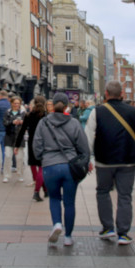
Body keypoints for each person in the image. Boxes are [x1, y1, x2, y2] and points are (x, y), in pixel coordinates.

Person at [86, 81, 135, 246]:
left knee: (102, 192)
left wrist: (87, 158)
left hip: (104, 160)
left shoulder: (97, 112)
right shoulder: (133, 112)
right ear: (122, 94)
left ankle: (108, 228)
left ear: (106, 93)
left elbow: (88, 135)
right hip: (128, 160)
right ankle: (123, 232)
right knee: (125, 195)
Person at [33, 92, 90, 247]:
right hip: (70, 166)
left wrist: (42, 157)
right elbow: (84, 147)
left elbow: (36, 146)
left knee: (54, 198)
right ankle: (68, 237)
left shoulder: (43, 123)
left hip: (50, 166)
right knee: (69, 202)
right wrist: (84, 161)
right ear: (66, 106)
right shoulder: (74, 123)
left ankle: (57, 224)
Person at [16, 95, 46, 201]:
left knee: (33, 164)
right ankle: (39, 191)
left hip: (32, 142)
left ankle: (43, 188)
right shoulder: (46, 116)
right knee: (42, 167)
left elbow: (22, 130)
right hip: (44, 143)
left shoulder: (29, 115)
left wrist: (16, 145)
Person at [4, 97, 25, 183]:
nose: (16, 105)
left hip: (19, 137)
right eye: (15, 103)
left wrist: (22, 122)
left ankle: (20, 174)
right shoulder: (7, 112)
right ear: (11, 103)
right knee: (8, 156)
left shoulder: (23, 113)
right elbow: (4, 123)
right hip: (9, 136)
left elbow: (26, 124)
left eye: (18, 103)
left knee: (19, 157)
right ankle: (6, 175)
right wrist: (12, 122)